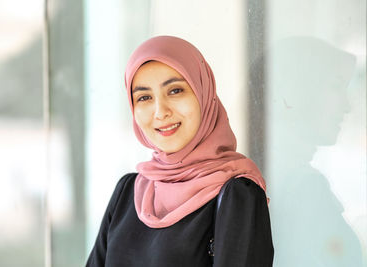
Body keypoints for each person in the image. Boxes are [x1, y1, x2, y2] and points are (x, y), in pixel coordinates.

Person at [86, 35, 274, 267]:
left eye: (175, 91)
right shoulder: (128, 193)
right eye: (144, 97)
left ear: (204, 94)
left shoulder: (238, 195)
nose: (160, 111)